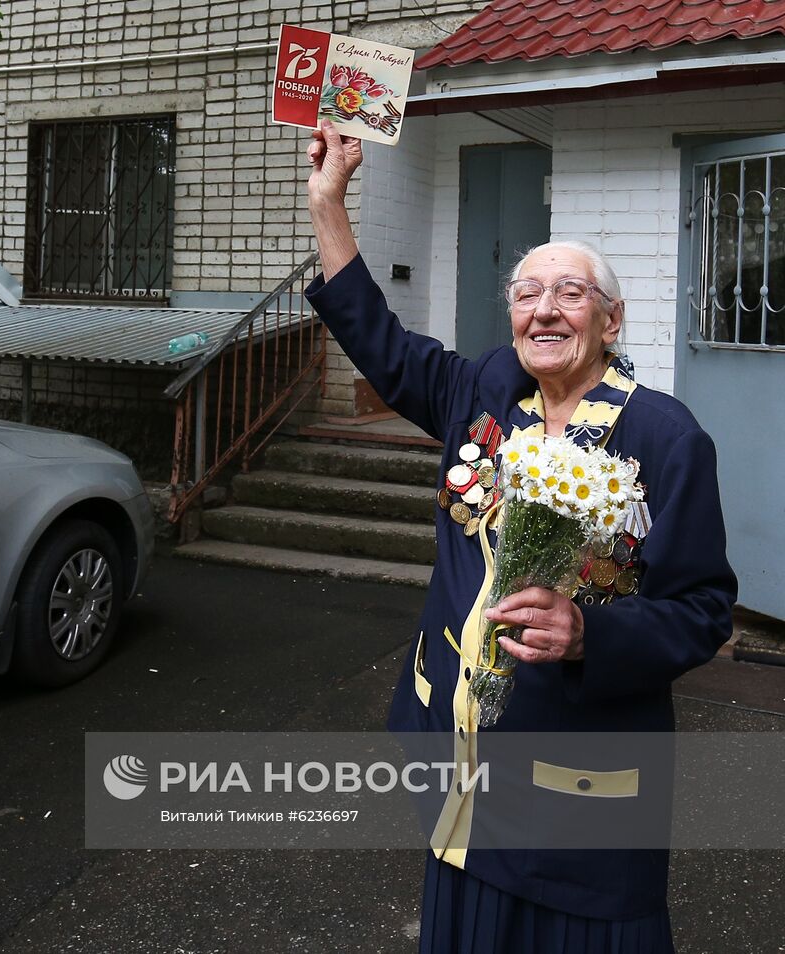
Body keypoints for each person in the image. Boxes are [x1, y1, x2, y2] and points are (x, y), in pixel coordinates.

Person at [303, 121, 736, 951]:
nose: (544, 308)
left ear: (612, 321)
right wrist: (330, 203)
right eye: (527, 292)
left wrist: (589, 634)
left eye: (569, 293)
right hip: (464, 767)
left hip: (576, 794)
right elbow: (380, 343)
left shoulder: (666, 437)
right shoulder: (488, 388)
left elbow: (705, 610)